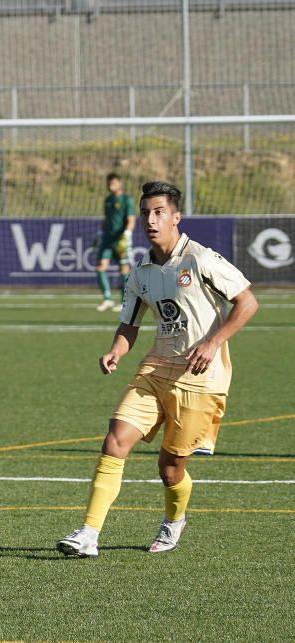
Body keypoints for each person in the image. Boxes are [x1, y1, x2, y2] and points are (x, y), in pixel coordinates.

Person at [56, 181, 258, 558]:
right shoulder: (141, 270)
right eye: (146, 212)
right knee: (115, 440)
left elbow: (247, 302)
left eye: (159, 212)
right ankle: (88, 533)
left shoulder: (200, 259)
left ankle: (174, 519)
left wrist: (213, 343)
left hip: (201, 377)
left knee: (170, 470)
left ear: (176, 217)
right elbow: (129, 323)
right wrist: (116, 350)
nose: (151, 219)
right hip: (155, 368)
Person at [95, 173, 137, 311]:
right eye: (108, 183)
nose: (110, 185)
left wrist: (127, 234)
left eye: (113, 183)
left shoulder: (127, 199)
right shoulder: (108, 200)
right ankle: (107, 299)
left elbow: (131, 219)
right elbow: (107, 219)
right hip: (108, 239)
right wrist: (100, 233)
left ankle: (124, 301)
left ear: (120, 183)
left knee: (124, 269)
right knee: (101, 266)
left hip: (120, 240)